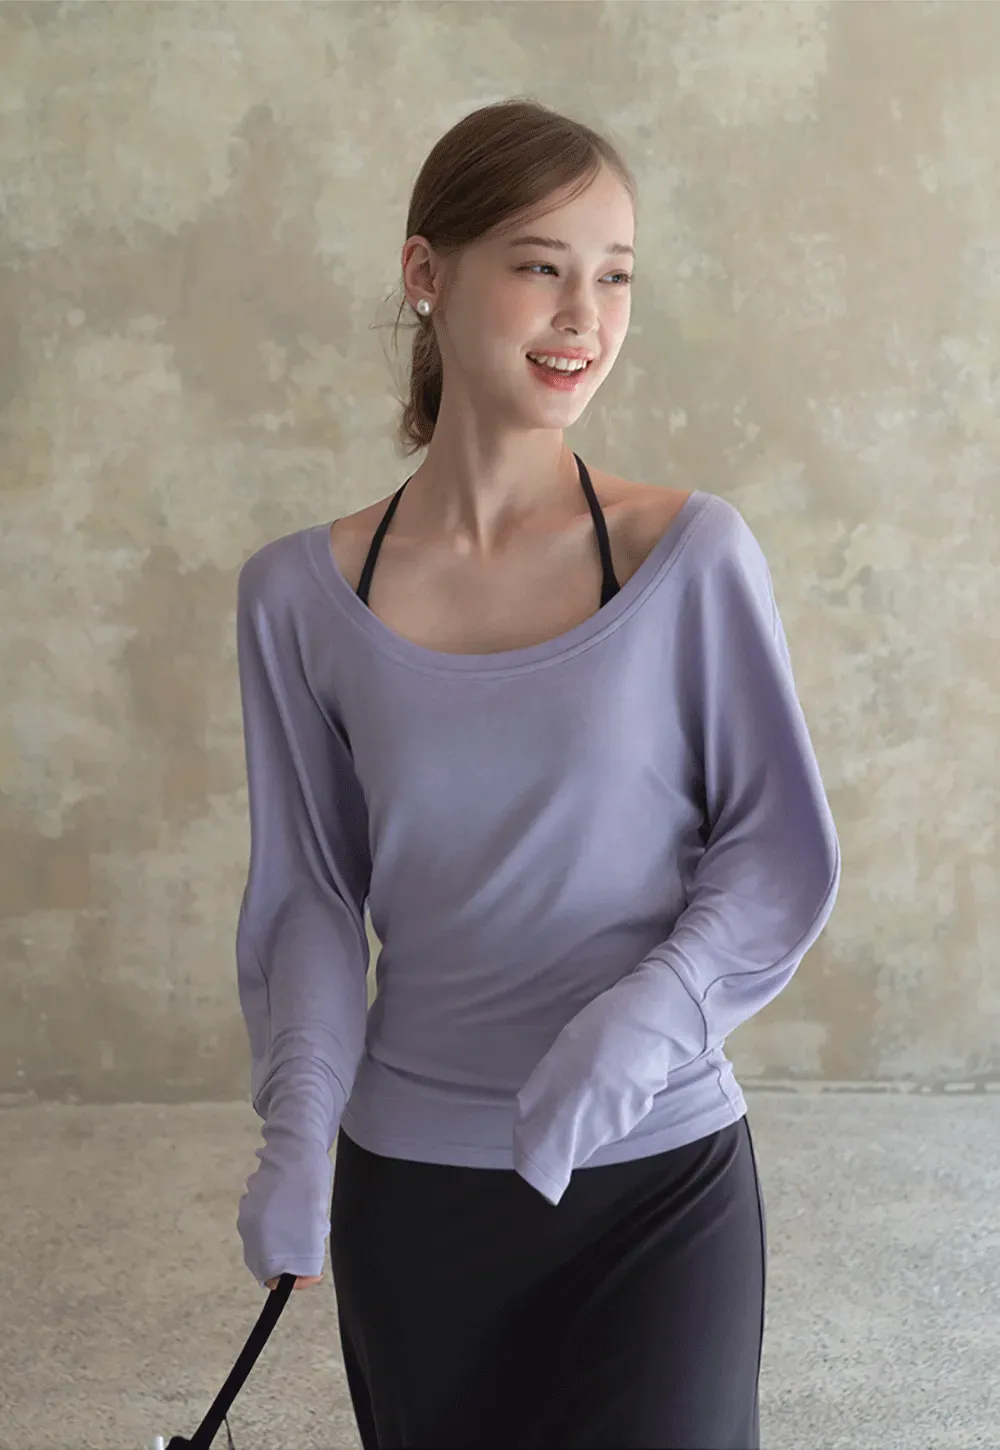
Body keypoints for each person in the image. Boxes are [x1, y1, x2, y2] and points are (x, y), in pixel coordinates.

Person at [234, 97, 841, 1448]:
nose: (584, 317)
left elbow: (775, 847)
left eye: (614, 276)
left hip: (659, 1177)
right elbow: (310, 899)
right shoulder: (297, 598)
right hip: (415, 1195)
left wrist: (649, 1019)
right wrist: (299, 1128)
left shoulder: (691, 556)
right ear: (426, 273)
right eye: (540, 265)